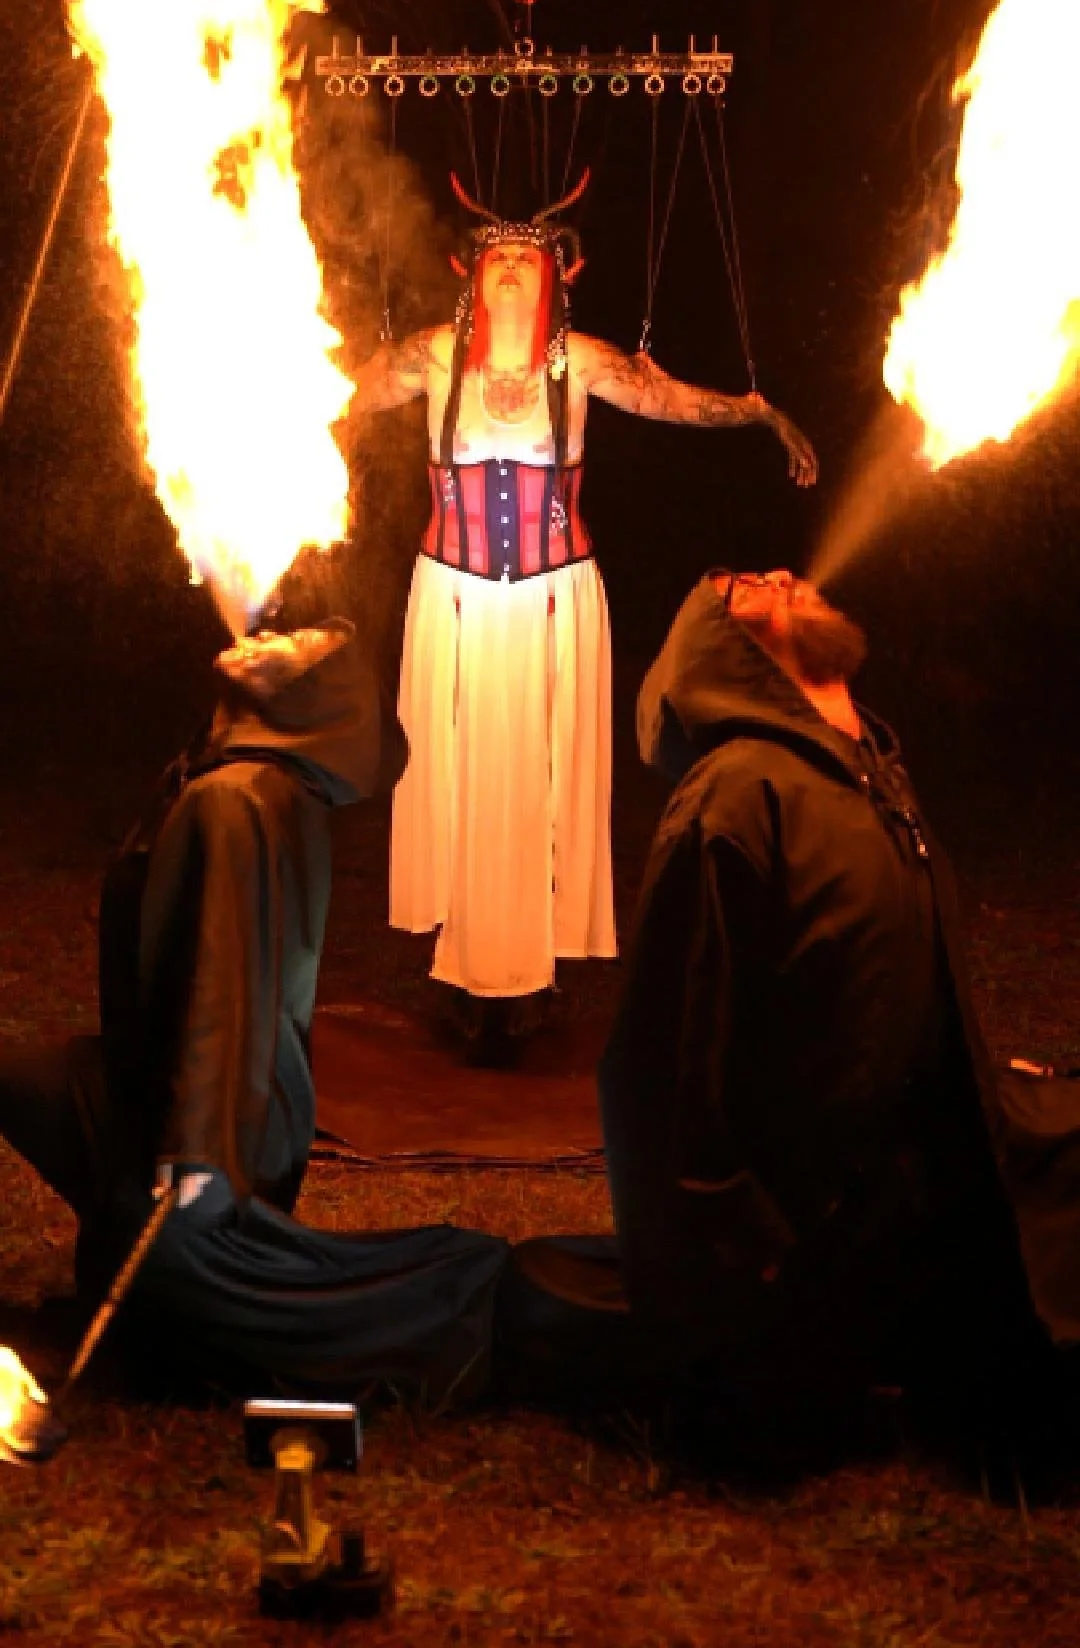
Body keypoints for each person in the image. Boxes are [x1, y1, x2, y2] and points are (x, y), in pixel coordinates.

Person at [497, 571, 1078, 1449]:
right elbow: (667, 1077)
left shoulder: (868, 775)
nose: (779, 574)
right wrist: (737, 1273)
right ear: (723, 653)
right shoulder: (739, 798)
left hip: (921, 1184)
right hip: (814, 1253)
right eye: (739, 588)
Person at [345, 191, 819, 1045]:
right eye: (499, 254)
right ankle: (464, 971)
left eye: (533, 254)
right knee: (457, 774)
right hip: (451, 597)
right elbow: (330, 398)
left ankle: (530, 974)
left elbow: (677, 400)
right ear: (473, 274)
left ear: (561, 276)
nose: (517, 264)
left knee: (536, 779)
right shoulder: (429, 358)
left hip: (552, 596)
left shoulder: (587, 364)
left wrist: (760, 412)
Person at [0, 619, 508, 1407]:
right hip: (168, 1089)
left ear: (317, 701)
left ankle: (169, 1298)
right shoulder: (245, 781)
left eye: (311, 643)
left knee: (177, 1276)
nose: (282, 629)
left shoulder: (237, 799)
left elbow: (223, 987)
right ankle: (144, 1280)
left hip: (193, 1122)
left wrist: (198, 1155)